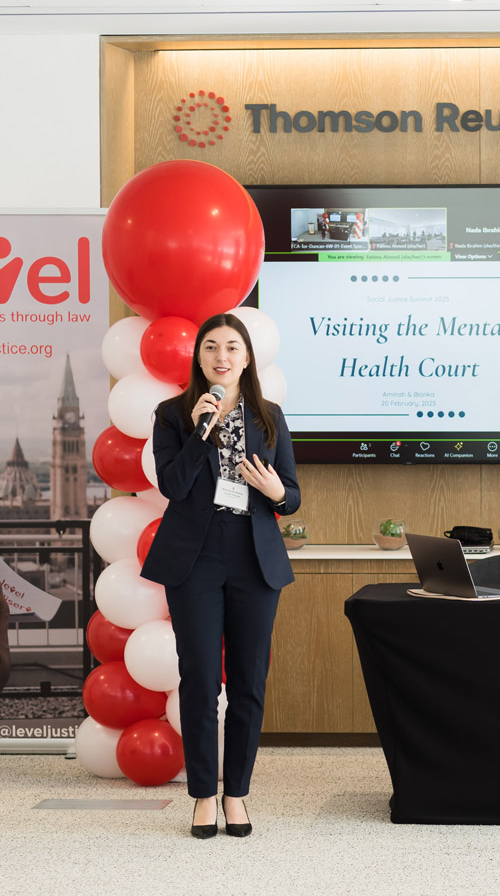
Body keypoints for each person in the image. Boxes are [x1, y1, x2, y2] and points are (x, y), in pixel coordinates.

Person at [140, 313, 300, 839]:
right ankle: (204, 796)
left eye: (233, 347)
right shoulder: (174, 414)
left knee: (249, 684)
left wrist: (277, 494)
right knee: (202, 681)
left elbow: (292, 494)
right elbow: (173, 485)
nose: (222, 356)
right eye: (211, 347)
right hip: (197, 556)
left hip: (254, 556)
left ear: (247, 358)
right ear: (199, 358)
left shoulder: (270, 415)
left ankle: (237, 795)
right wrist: (202, 433)